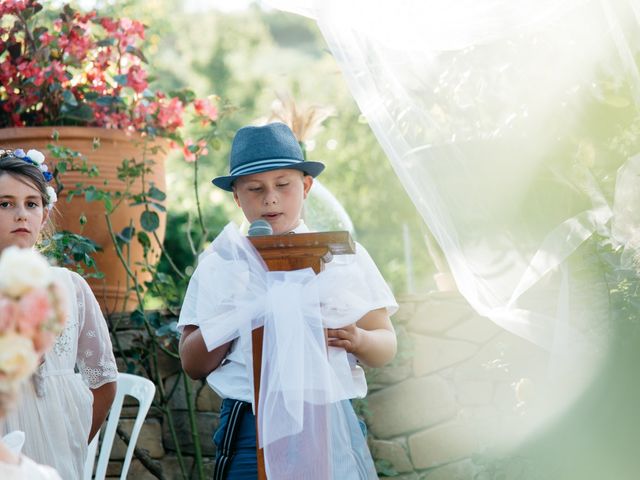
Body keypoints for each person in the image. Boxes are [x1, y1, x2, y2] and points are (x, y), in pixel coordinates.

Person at [179, 122, 398, 479]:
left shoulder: (343, 258)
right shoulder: (221, 264)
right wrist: (241, 309)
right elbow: (192, 363)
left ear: (306, 186)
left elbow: (386, 345)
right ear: (236, 196)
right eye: (255, 189)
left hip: (329, 422)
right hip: (250, 425)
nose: (270, 199)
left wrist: (359, 339)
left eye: (283, 185)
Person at [0, 148, 118, 479]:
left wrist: (76, 439)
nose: (21, 214)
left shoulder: (70, 287)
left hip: (59, 443)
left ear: (44, 214)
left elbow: (104, 380)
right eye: (5, 204)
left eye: (31, 204)